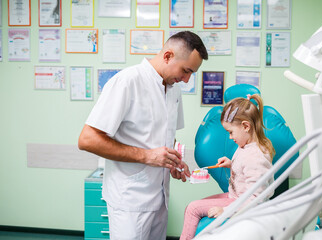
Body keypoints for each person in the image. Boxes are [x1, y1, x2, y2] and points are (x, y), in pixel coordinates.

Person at [78, 31, 208, 240]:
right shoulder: (127, 82)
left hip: (160, 197)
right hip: (130, 200)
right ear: (167, 56)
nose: (186, 79)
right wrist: (147, 156)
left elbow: (165, 135)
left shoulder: (173, 90)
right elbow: (87, 140)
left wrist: (173, 160)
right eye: (185, 71)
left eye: (191, 73)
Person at [180, 94, 275, 240]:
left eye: (231, 132)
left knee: (193, 209)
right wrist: (232, 163)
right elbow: (247, 170)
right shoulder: (247, 146)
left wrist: (225, 211)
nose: (230, 137)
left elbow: (256, 198)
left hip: (239, 203)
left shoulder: (256, 156)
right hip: (235, 197)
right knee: (192, 208)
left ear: (245, 126)